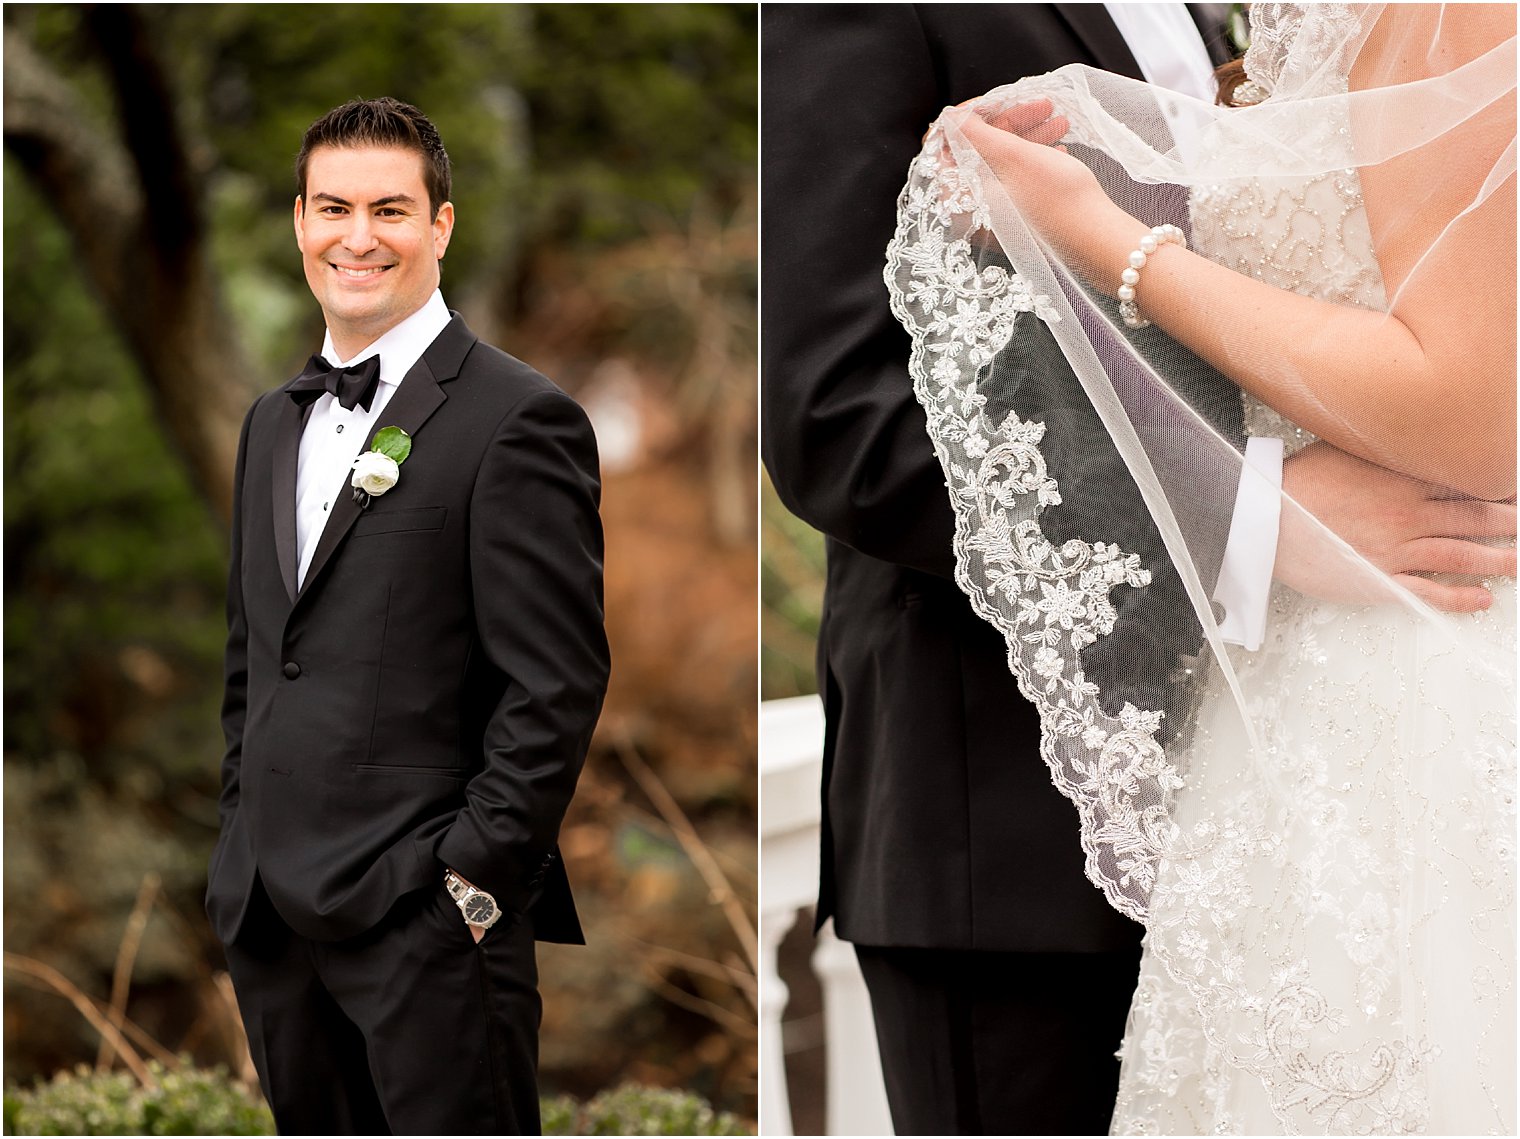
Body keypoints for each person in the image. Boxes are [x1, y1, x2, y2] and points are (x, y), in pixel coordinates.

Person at [762, 5, 1515, 1134]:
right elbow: (836, 415)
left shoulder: (1298, 19)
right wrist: (1244, 514)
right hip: (1003, 831)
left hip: (1320, 769)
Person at [204, 97, 610, 1135]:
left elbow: (554, 682)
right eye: (333, 207)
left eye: (390, 208)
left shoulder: (518, 419)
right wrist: (236, 851)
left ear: (439, 225)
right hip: (273, 924)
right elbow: (257, 659)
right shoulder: (269, 422)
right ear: (299, 220)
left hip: (425, 926)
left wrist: (467, 887)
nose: (358, 235)